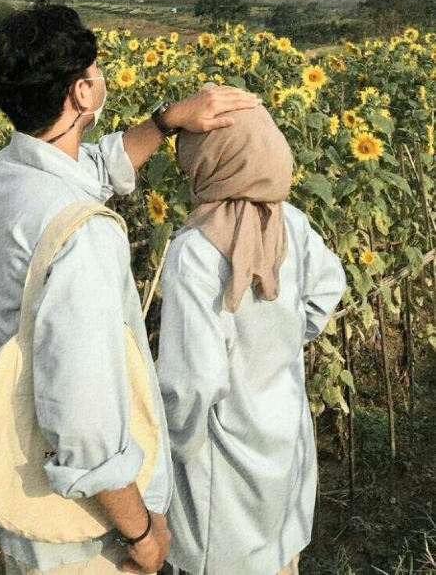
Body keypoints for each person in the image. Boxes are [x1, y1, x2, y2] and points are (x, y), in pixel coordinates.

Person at [0, 0, 260, 575]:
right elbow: (85, 419)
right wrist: (141, 530)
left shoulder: (2, 176)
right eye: (95, 72)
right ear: (81, 93)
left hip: (25, 490)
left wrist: (166, 120)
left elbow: (91, 170)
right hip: (84, 533)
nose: (102, 79)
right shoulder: (84, 236)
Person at [157, 102, 346, 575]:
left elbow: (194, 383)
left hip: (223, 462)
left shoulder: (195, 252)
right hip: (284, 432)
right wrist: (283, 340)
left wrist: (171, 456)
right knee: (281, 559)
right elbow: (328, 287)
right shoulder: (290, 222)